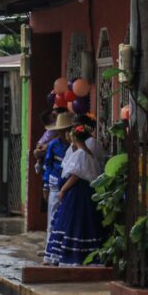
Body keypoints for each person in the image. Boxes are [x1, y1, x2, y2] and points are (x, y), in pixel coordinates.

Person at [45, 124, 106, 266]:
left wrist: (63, 190)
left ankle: (73, 257)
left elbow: (76, 175)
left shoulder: (81, 154)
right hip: (85, 192)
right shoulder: (86, 153)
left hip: (78, 193)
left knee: (74, 223)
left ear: (74, 137)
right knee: (85, 222)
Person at [42, 112, 73, 250]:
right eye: (61, 130)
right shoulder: (53, 145)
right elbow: (47, 165)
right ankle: (49, 248)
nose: (63, 133)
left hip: (70, 183)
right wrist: (45, 185)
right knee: (52, 217)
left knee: (68, 218)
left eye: (65, 130)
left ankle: (63, 249)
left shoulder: (74, 146)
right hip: (55, 183)